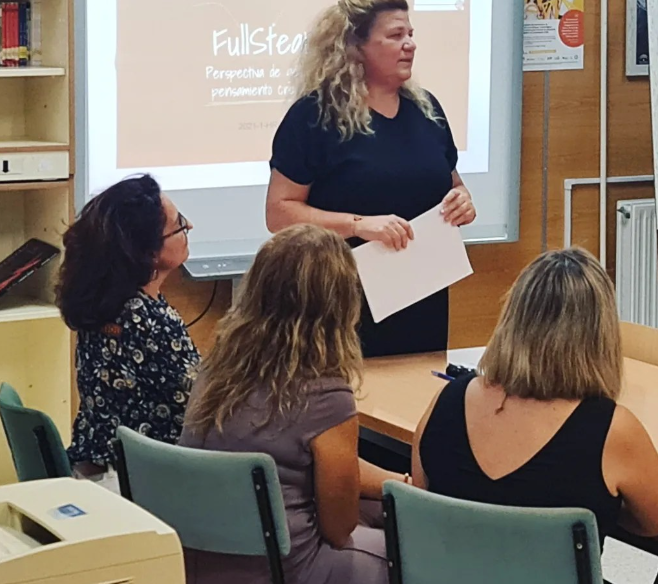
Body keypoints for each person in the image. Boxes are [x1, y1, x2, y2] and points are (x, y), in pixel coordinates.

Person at [412, 247, 658, 549]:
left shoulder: (446, 400)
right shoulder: (612, 430)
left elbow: (420, 499)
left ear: (512, 319)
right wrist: (600, 510)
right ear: (601, 335)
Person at [180, 225, 403, 584]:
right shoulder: (326, 397)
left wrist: (401, 483)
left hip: (200, 559)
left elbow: (318, 463)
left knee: (380, 509)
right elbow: (339, 529)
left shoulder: (217, 370)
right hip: (281, 568)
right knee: (414, 551)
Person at [265, 0, 475, 359]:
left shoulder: (426, 110)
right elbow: (279, 213)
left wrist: (462, 200)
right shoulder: (315, 116)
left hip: (422, 296)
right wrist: (359, 225)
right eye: (395, 35)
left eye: (410, 34)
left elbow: (452, 184)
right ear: (355, 46)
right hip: (341, 298)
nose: (410, 44)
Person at [56, 174, 199, 492]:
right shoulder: (149, 321)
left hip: (92, 472)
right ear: (149, 252)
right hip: (139, 485)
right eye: (179, 224)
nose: (189, 227)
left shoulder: (103, 304)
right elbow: (197, 410)